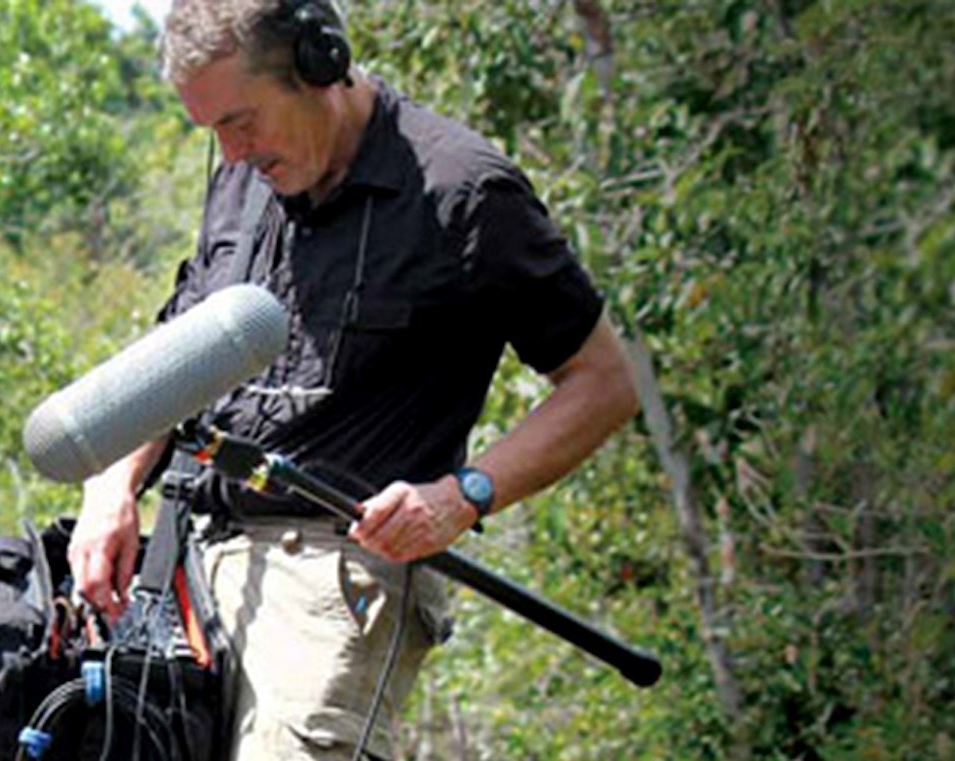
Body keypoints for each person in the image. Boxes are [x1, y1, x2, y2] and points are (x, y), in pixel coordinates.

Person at [62, 0, 642, 758]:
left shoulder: (462, 191)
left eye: (241, 121)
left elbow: (604, 383)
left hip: (334, 577)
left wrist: (461, 496)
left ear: (319, 65)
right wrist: (111, 485)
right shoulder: (243, 176)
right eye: (212, 132)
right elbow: (180, 353)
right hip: (188, 563)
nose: (232, 153)